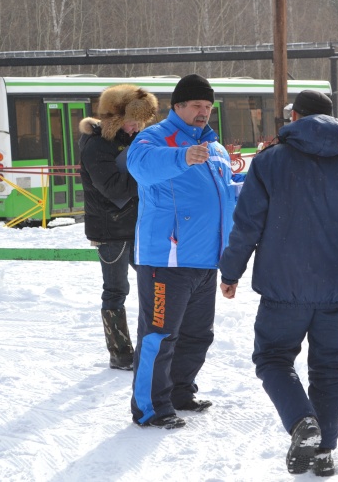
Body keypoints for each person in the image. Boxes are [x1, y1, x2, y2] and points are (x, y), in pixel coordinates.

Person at [218, 90, 338, 476]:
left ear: (295, 116)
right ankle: (324, 451)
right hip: (335, 289)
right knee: (330, 368)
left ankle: (303, 423)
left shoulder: (270, 162)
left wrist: (230, 271)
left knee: (272, 359)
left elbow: (247, 224)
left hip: (283, 287)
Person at [126, 74, 244, 429]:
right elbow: (140, 165)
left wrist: (254, 184)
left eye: (208, 107)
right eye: (196, 105)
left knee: (198, 335)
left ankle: (179, 392)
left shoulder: (216, 148)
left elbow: (226, 196)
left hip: (206, 260)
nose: (203, 112)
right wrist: (182, 157)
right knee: (159, 335)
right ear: (177, 106)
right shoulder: (154, 138)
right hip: (166, 260)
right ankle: (150, 407)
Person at [79, 84, 158, 370]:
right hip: (111, 229)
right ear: (114, 117)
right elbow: (115, 189)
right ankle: (120, 352)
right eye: (131, 119)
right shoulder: (96, 144)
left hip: (138, 224)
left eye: (140, 120)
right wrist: (149, 173)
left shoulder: (133, 138)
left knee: (155, 281)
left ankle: (151, 343)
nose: (137, 126)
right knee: (116, 289)